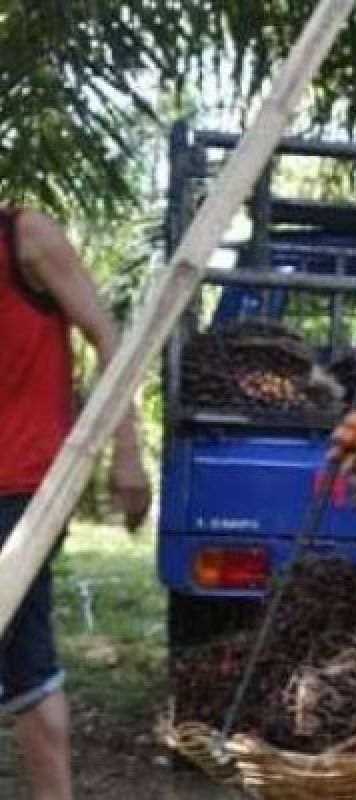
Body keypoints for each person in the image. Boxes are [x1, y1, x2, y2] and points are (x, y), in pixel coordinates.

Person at [0, 207, 151, 800]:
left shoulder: (25, 237)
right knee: (20, 658)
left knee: (23, 654)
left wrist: (129, 450)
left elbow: (109, 337)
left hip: (25, 493)